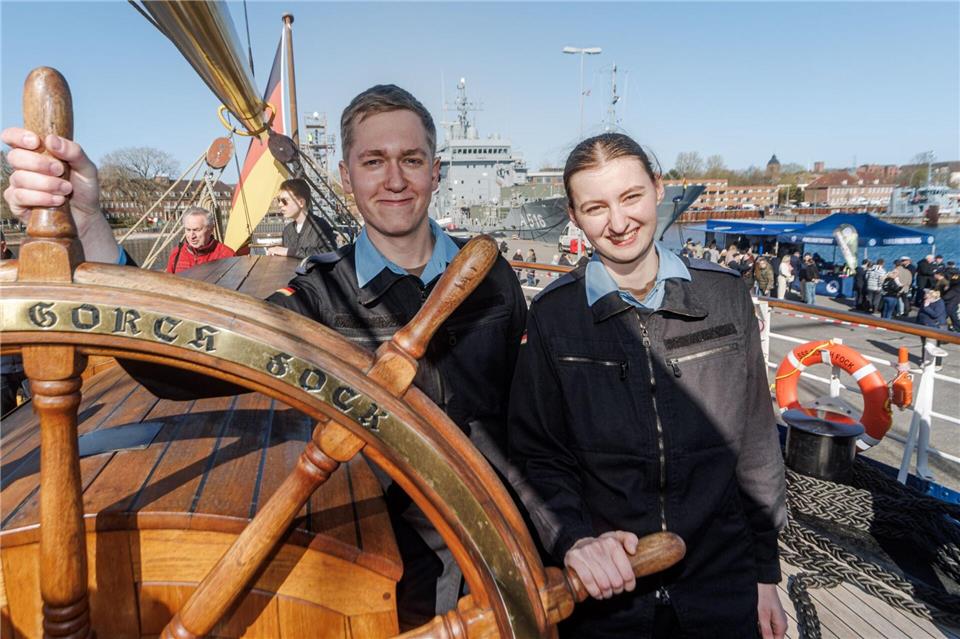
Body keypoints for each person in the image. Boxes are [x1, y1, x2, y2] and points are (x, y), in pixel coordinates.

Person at [2, 84, 530, 628]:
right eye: (374, 161)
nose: (394, 180)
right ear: (347, 178)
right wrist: (89, 224)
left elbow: (529, 421)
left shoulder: (490, 277)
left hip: (507, 540)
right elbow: (175, 369)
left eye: (411, 160)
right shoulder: (322, 294)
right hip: (393, 565)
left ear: (435, 172)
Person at [509, 133, 787, 639]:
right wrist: (574, 541)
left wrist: (766, 572)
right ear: (574, 216)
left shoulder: (724, 297)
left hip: (719, 581)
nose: (618, 223)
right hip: (608, 592)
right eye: (596, 207)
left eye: (631, 197)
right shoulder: (553, 317)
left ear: (658, 189)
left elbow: (755, 443)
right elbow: (538, 455)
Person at [266, 177, 338, 258]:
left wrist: (289, 251)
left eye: (284, 201)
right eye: (279, 200)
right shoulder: (287, 230)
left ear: (301, 202)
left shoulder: (320, 227)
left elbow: (330, 254)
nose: (280, 205)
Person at [165, 207, 236, 274]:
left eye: (197, 230)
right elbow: (167, 283)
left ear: (211, 229)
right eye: (188, 230)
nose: (192, 236)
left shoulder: (227, 255)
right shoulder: (177, 254)